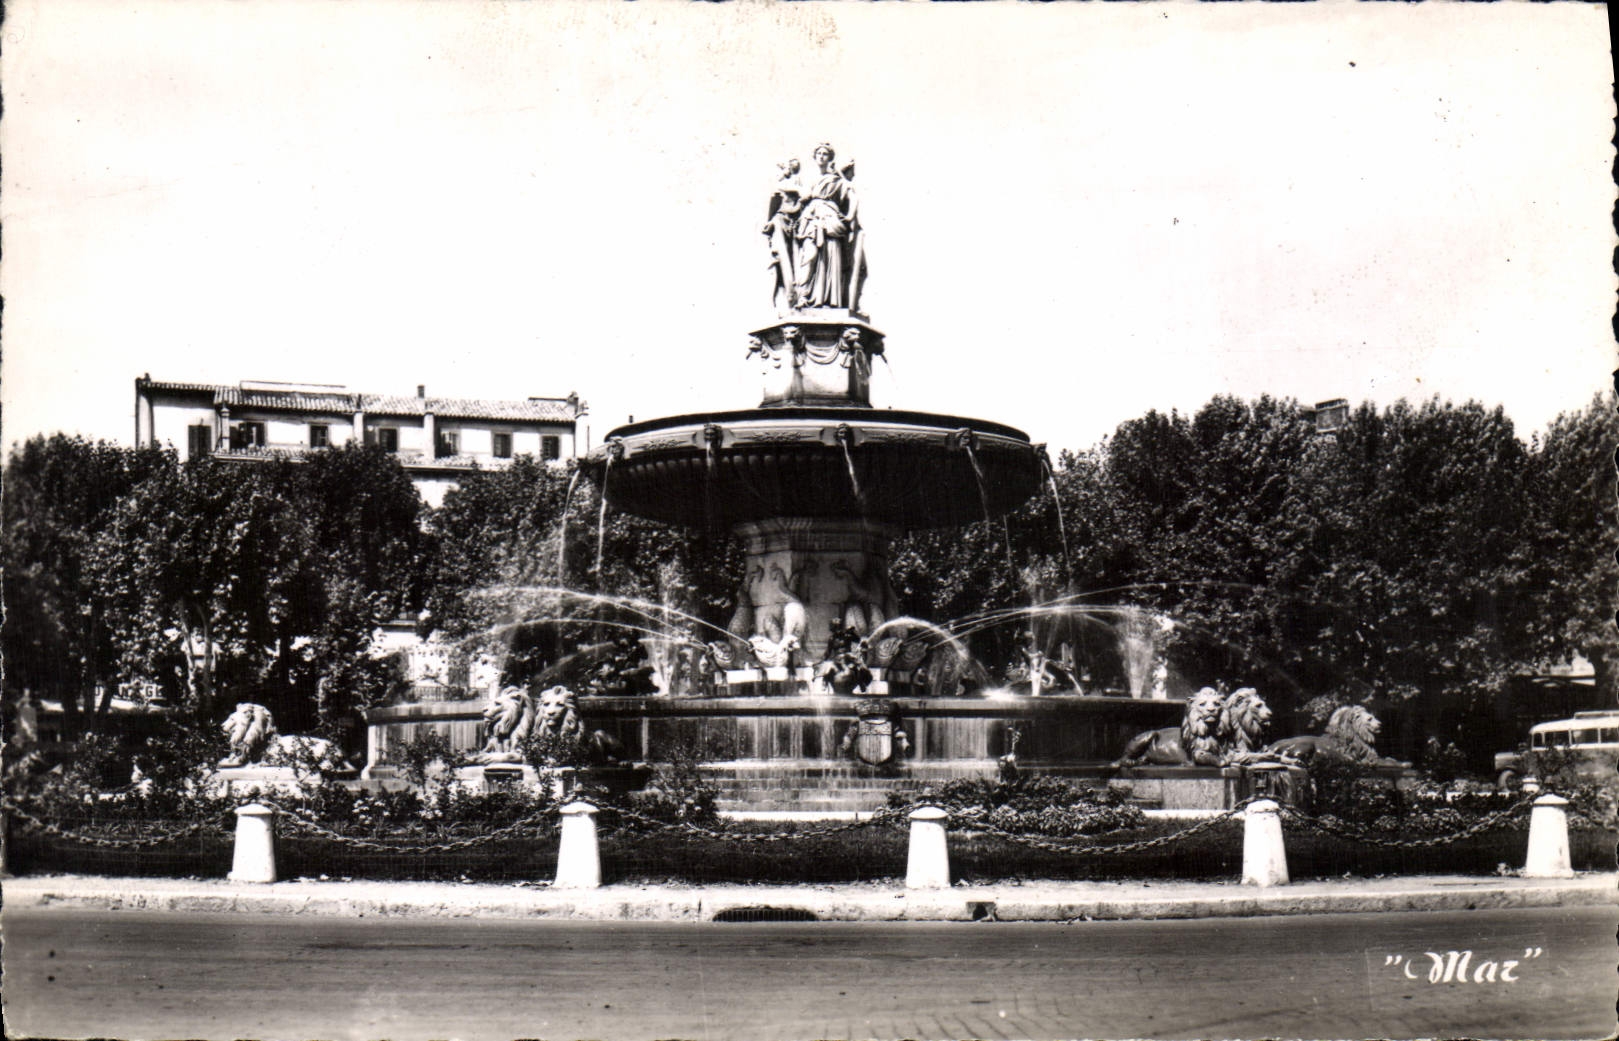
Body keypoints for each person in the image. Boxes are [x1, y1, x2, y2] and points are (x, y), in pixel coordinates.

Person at [792, 143, 858, 308]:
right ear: (814, 157)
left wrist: (849, 216)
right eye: (819, 154)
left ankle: (826, 298)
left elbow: (853, 197)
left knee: (830, 255)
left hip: (830, 218)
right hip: (811, 218)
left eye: (825, 154)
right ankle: (803, 296)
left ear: (830, 158)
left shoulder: (836, 180)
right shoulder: (809, 180)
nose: (821, 156)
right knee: (809, 255)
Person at [763, 158, 803, 311]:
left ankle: (796, 295)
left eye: (795, 166)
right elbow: (776, 200)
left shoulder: (795, 182)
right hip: (782, 223)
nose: (793, 168)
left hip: (796, 225)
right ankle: (788, 298)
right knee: (783, 263)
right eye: (791, 166)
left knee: (796, 261)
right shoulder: (781, 187)